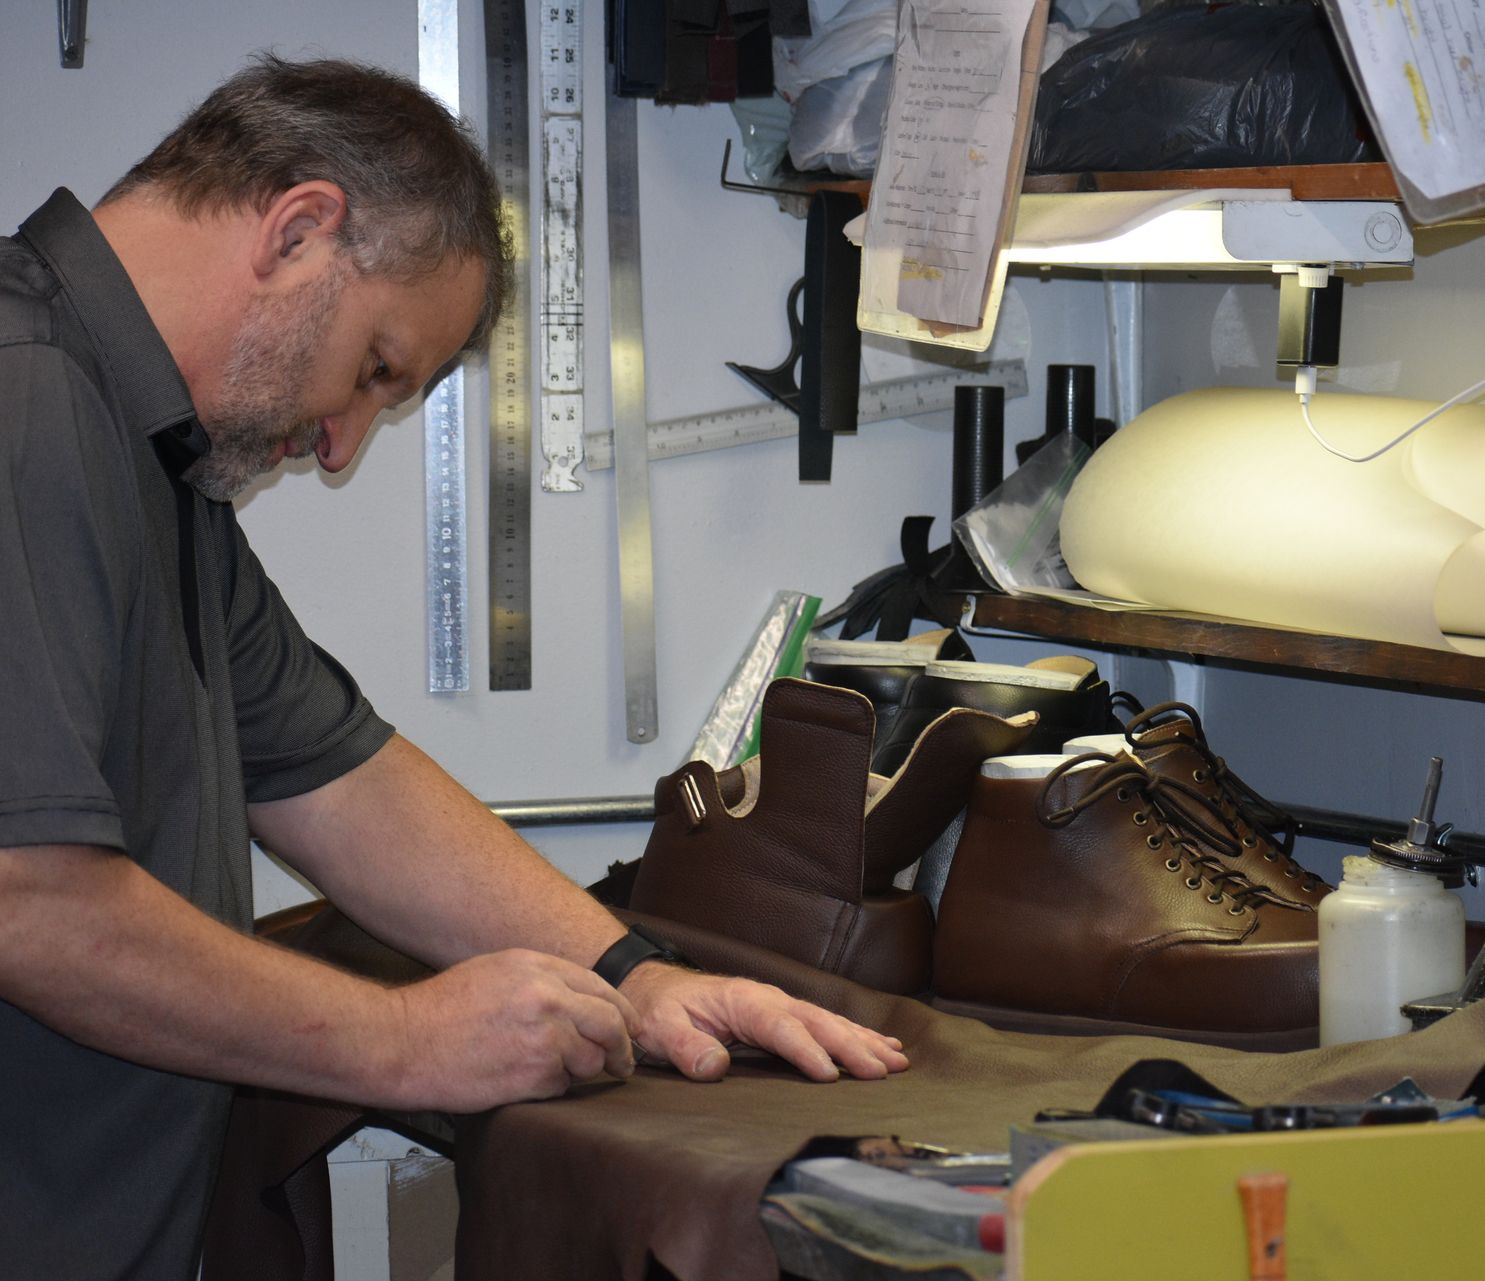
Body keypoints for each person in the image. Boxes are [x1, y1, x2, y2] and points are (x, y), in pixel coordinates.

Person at [0, 54, 906, 1280]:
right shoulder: (23, 399)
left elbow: (339, 776)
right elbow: (29, 901)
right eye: (376, 368)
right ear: (300, 228)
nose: (338, 445)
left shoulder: (151, 456)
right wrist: (402, 1040)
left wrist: (632, 980)